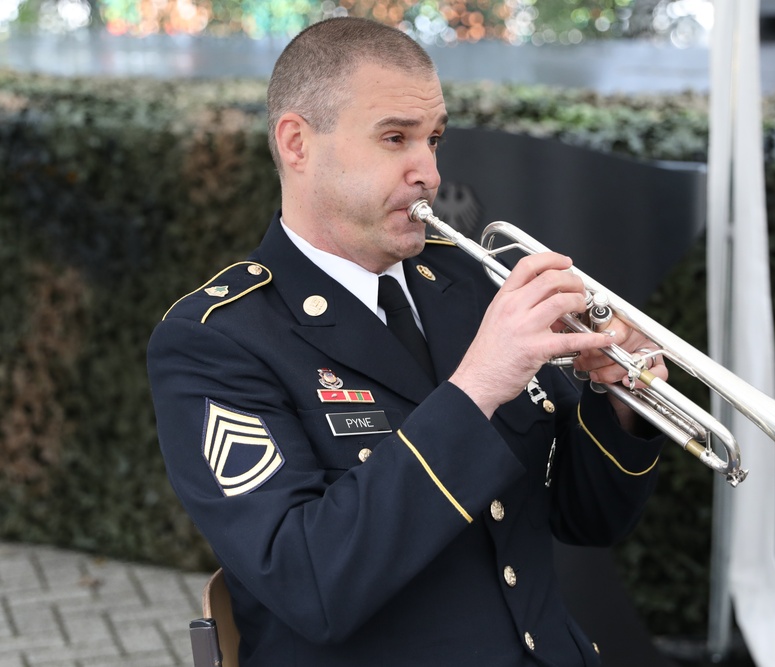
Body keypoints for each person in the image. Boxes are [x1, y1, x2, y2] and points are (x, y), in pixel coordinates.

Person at [147, 16, 668, 667]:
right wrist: (475, 389)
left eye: (434, 138)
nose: (427, 170)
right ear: (297, 144)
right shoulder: (215, 342)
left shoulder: (469, 281)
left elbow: (587, 518)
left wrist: (617, 403)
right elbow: (310, 582)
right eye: (395, 137)